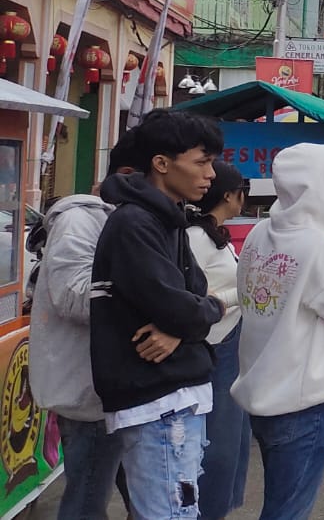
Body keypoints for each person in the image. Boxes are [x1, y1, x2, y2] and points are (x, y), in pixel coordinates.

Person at [90, 110, 226, 520]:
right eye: (201, 162)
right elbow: (181, 307)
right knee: (170, 513)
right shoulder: (136, 222)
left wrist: (187, 321)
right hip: (158, 398)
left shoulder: (168, 218)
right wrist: (202, 314)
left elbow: (194, 295)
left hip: (173, 397)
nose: (211, 175)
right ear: (162, 164)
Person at [232, 144, 324, 520]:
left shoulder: (261, 233)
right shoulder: (318, 248)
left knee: (280, 505)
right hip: (305, 404)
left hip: (262, 394)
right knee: (288, 511)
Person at [31, 134, 143, 520]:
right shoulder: (81, 221)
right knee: (87, 498)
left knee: (144, 496)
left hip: (122, 389)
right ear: (128, 175)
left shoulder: (124, 219)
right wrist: (153, 294)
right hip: (90, 392)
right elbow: (74, 297)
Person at [186, 160, 251, 520]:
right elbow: (193, 297)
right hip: (215, 345)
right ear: (228, 195)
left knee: (234, 440)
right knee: (218, 444)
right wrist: (238, 295)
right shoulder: (196, 238)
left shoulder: (215, 235)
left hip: (230, 343)